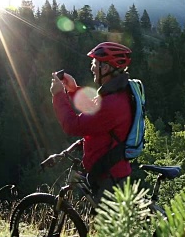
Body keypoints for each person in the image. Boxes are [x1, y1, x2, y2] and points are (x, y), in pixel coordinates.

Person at [50, 41, 134, 202]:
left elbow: (72, 125)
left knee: (109, 227)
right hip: (112, 173)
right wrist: (74, 90)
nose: (92, 67)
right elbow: (96, 114)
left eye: (95, 63)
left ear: (106, 68)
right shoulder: (117, 94)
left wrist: (59, 95)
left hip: (109, 179)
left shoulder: (112, 102)